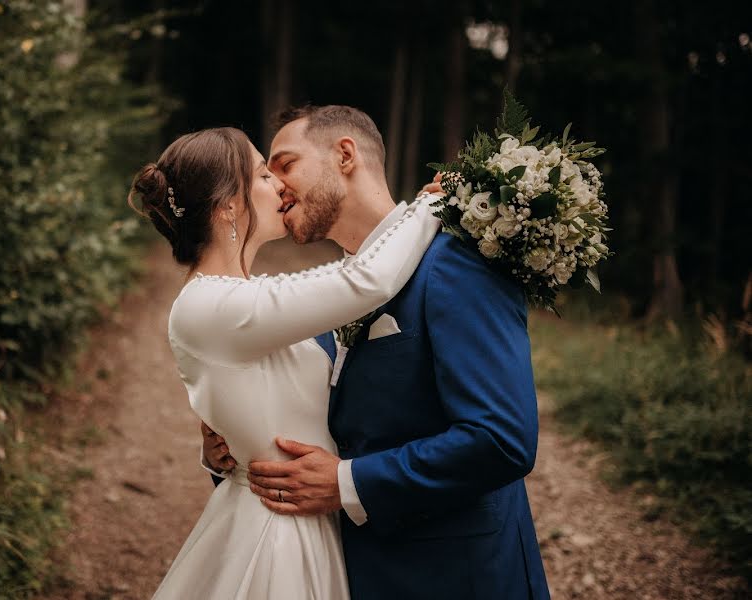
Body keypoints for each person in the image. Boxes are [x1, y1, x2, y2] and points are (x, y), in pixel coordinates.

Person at [202, 105, 551, 599]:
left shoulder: (457, 259)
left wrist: (348, 483)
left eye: (285, 164)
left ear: (345, 155)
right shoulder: (326, 293)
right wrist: (229, 453)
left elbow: (501, 437)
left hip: (459, 577)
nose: (276, 186)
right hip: (353, 576)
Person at [129, 125, 441, 599]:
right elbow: (365, 281)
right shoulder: (211, 306)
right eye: (261, 174)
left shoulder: (244, 297)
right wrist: (434, 203)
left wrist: (226, 442)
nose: (279, 184)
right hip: (276, 537)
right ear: (230, 204)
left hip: (304, 519)